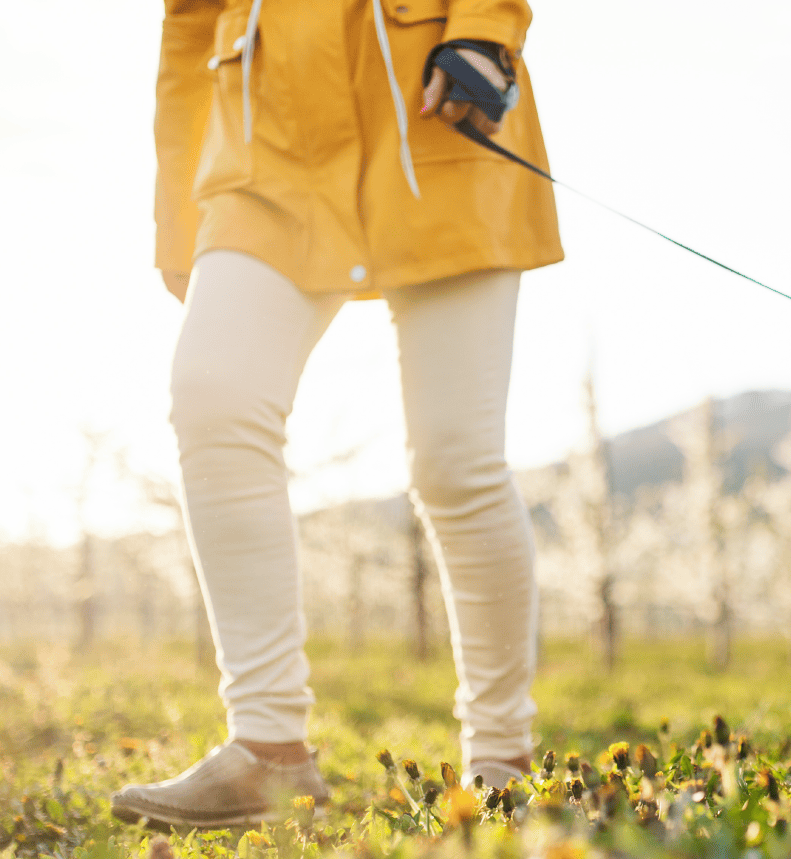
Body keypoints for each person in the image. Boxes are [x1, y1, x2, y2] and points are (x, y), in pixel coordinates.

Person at [111, 0, 561, 829]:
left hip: (438, 118)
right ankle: (267, 750)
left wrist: (488, 29)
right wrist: (176, 214)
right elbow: (188, 22)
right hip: (264, 155)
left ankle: (502, 756)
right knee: (213, 394)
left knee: (454, 457)